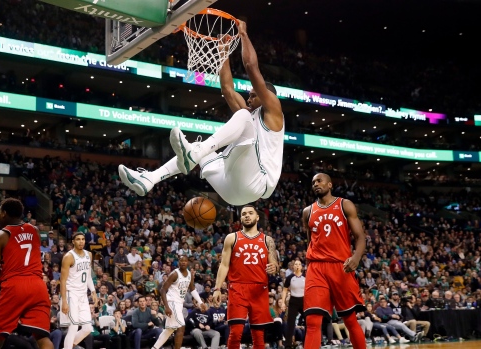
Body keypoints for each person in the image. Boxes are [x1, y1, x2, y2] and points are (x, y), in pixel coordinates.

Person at [118, 20, 284, 206]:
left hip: (256, 183)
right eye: (249, 95)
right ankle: (150, 178)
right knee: (201, 148)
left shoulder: (273, 111)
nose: (249, 98)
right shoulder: (247, 113)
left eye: (254, 95)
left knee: (240, 119)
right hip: (230, 189)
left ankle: (193, 155)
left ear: (267, 96)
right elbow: (227, 89)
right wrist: (223, 51)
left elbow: (251, 67)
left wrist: (243, 34)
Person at [0, 198, 54, 349]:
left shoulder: (1, 235)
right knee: (42, 337)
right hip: (38, 286)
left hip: (13, 286)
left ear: (4, 213)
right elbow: (21, 250)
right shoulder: (34, 230)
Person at [301, 173, 367, 349]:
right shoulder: (308, 212)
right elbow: (310, 241)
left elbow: (360, 237)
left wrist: (356, 257)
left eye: (319, 181)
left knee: (350, 319)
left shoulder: (345, 205)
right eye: (313, 182)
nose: (316, 184)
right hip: (316, 268)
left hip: (341, 266)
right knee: (312, 320)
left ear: (330, 184)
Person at [212, 204, 279, 349]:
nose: (247, 216)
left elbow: (274, 264)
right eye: (243, 214)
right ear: (240, 218)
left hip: (259, 289)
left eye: (250, 213)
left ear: (257, 217)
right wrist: (217, 288)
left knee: (259, 336)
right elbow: (224, 265)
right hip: (237, 288)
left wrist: (274, 267)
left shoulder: (268, 240)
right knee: (235, 333)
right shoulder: (232, 238)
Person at [151, 255, 205, 349]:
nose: (183, 262)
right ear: (178, 262)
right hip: (172, 302)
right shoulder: (174, 274)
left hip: (179, 303)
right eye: (181, 260)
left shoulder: (189, 274)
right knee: (181, 327)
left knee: (169, 330)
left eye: (185, 260)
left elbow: (192, 289)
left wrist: (200, 302)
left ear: (188, 262)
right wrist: (166, 307)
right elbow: (163, 290)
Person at [60, 231, 98, 349]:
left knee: (87, 328)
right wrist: (64, 301)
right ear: (73, 241)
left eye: (82, 239)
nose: (81, 241)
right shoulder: (68, 257)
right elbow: (63, 281)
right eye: (78, 239)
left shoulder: (89, 255)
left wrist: (93, 291)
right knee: (73, 327)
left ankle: (69, 346)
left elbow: (87, 276)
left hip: (83, 295)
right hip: (71, 294)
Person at [281, 260, 305, 349]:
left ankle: (307, 343)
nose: (297, 265)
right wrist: (283, 302)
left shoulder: (306, 276)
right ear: (293, 266)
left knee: (308, 322)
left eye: (299, 264)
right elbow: (284, 290)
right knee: (290, 324)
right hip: (293, 301)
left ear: (302, 267)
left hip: (304, 300)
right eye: (296, 264)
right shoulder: (290, 277)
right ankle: (288, 345)